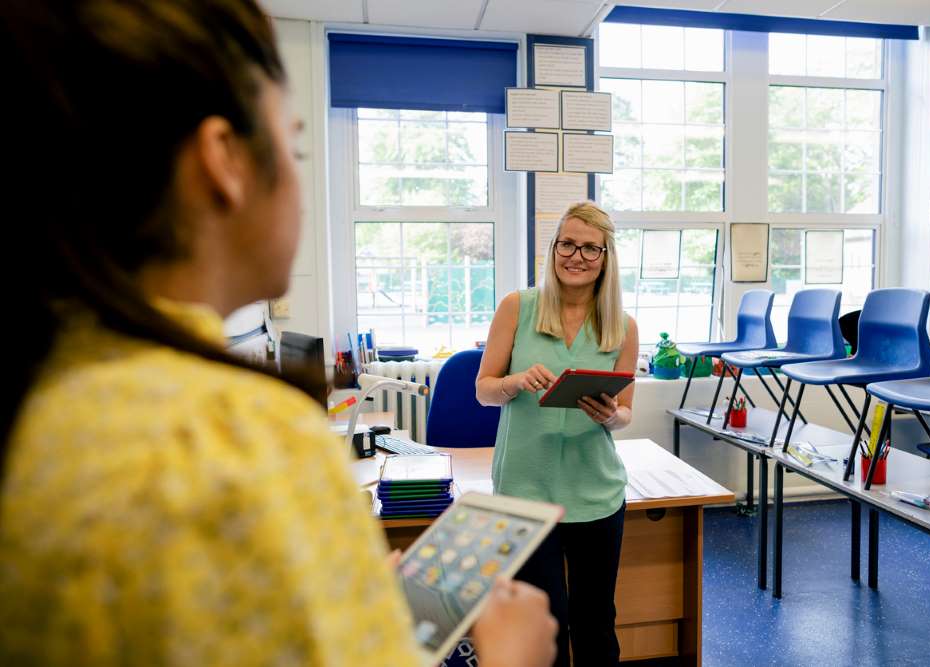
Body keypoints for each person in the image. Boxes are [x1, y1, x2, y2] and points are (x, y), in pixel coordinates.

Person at [0, 1, 556, 665]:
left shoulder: (56, 391)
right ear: (224, 161)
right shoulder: (237, 436)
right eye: (293, 146)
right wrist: (508, 654)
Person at [476, 202, 639, 666]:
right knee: (543, 625)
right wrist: (513, 382)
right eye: (567, 244)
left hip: (596, 492)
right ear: (553, 249)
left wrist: (609, 416)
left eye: (591, 248)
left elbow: (626, 412)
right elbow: (483, 391)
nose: (577, 256)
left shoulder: (623, 327)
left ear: (606, 257)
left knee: (595, 621)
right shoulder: (517, 307)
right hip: (526, 492)